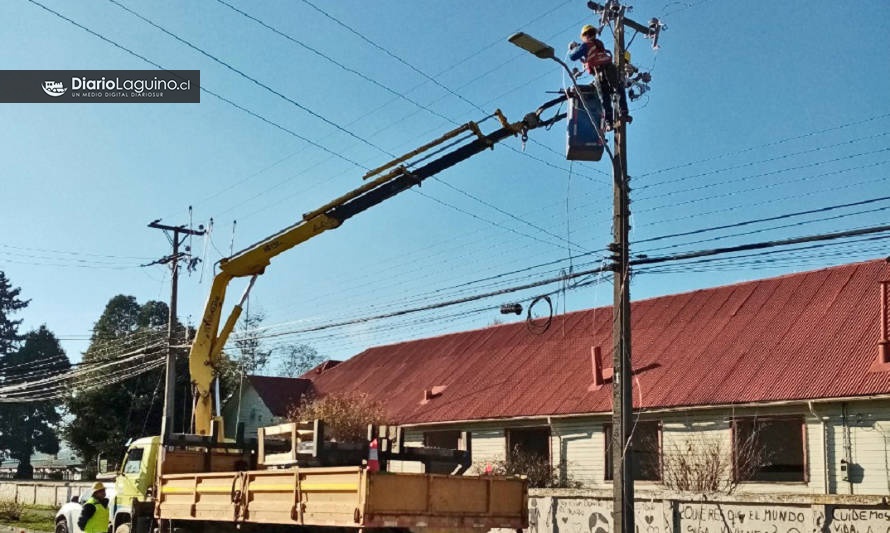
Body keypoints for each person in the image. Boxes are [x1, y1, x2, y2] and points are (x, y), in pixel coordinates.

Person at [569, 24, 631, 129]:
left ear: (585, 35)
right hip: (609, 69)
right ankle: (623, 113)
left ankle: (609, 122)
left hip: (600, 73)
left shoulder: (586, 45)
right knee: (618, 89)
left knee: (605, 98)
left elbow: (573, 56)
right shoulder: (598, 44)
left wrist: (572, 48)